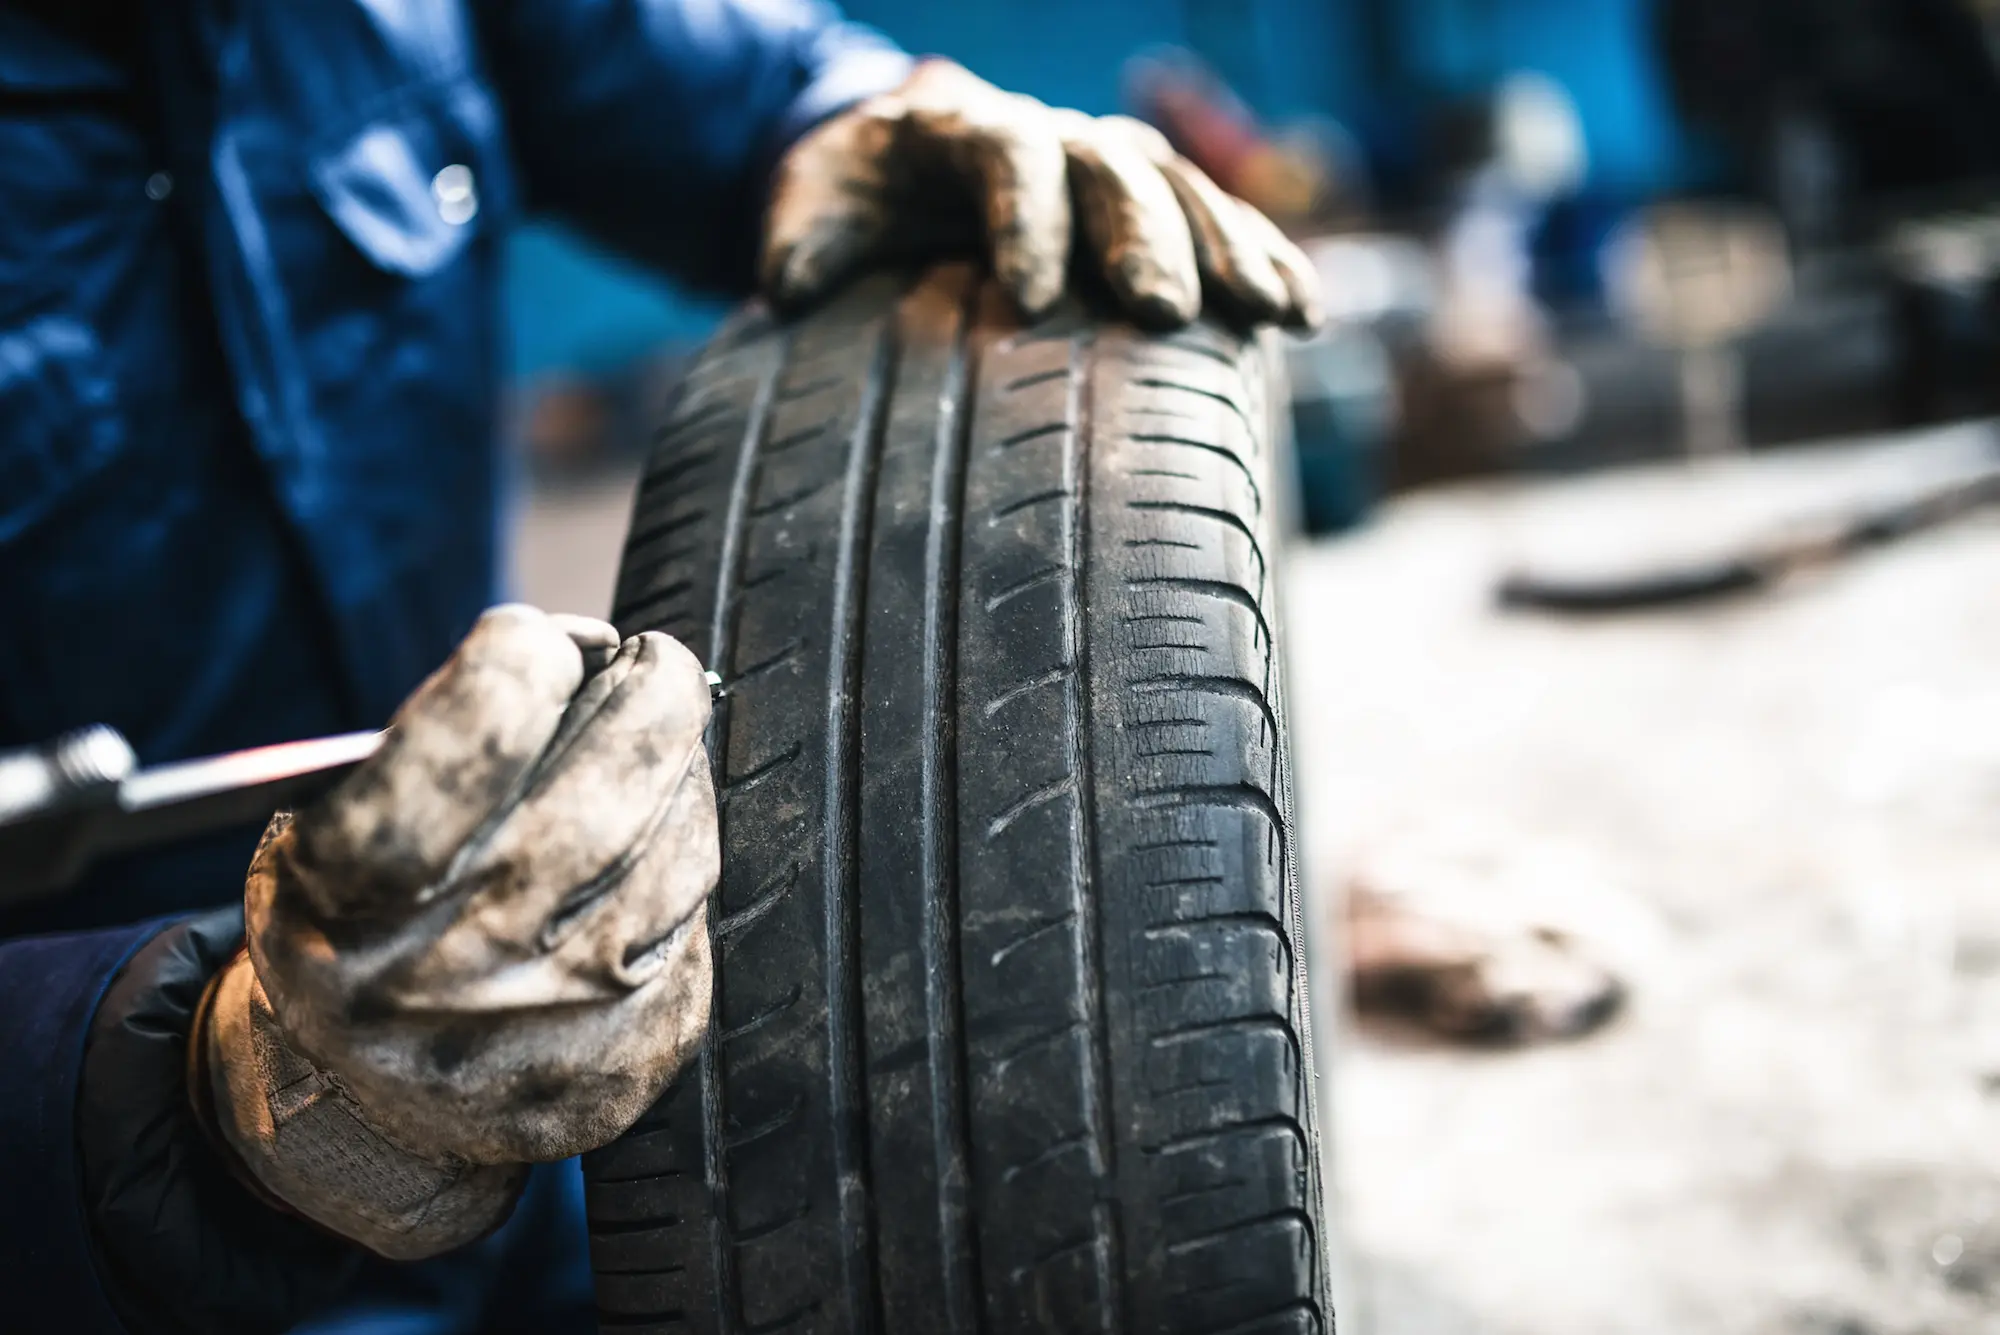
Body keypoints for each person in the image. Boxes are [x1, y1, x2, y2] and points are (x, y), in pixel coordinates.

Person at [0, 3, 1319, 1331]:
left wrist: (854, 111)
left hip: (564, 1112)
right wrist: (198, 1093)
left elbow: (711, 77)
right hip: (112, 1241)